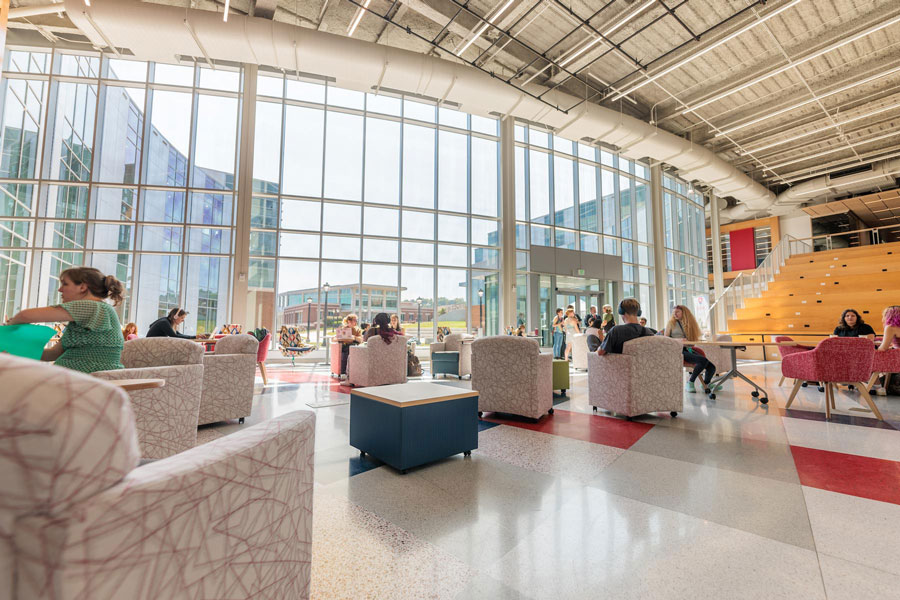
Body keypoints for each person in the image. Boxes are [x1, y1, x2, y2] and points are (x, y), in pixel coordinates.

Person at [6, 266, 125, 374]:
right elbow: (52, 354)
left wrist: (8, 329)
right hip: (78, 377)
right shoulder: (91, 314)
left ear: (82, 287)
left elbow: (25, 316)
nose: (60, 290)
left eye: (65, 284)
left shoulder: (93, 307)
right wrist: (14, 349)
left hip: (83, 378)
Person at [663, 304, 716, 393]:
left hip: (688, 349)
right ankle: (690, 382)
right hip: (677, 350)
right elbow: (665, 339)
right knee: (702, 361)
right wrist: (679, 340)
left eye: (677, 312)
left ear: (684, 313)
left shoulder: (690, 324)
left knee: (712, 367)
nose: (674, 314)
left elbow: (692, 341)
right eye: (673, 312)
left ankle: (706, 384)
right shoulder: (671, 323)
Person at [337, 313, 363, 379]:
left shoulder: (357, 330)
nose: (356, 322)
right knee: (346, 351)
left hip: (355, 346)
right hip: (345, 346)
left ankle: (354, 372)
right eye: (355, 320)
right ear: (349, 321)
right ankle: (344, 372)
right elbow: (338, 338)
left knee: (351, 349)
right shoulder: (343, 329)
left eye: (356, 320)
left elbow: (361, 340)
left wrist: (354, 337)